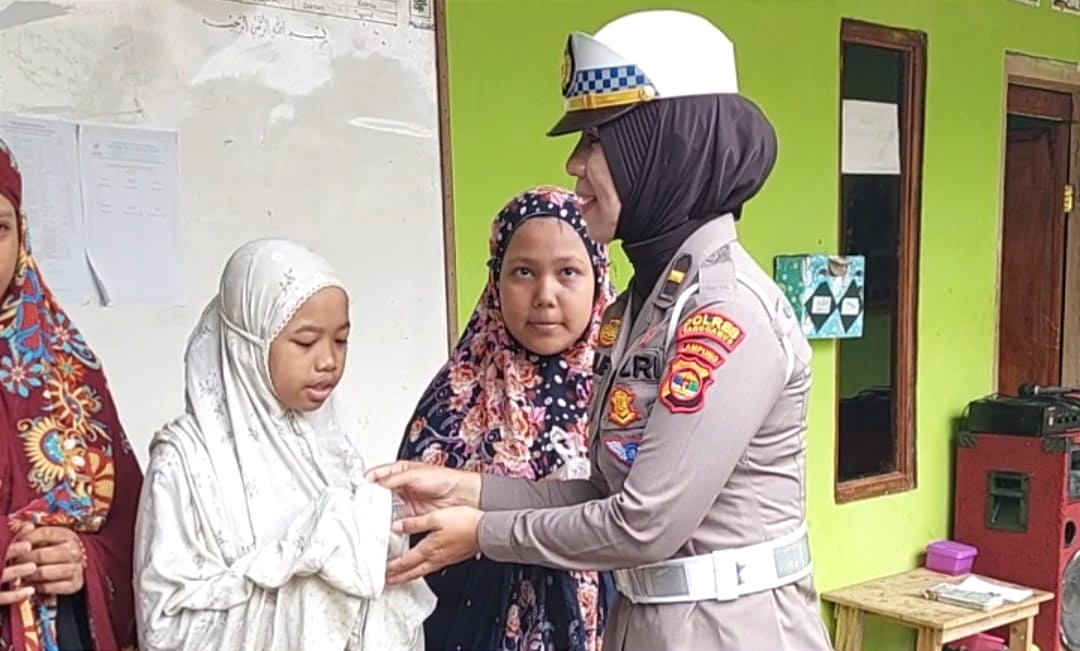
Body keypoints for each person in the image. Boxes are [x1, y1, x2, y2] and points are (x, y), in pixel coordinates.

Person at [366, 10, 836, 651]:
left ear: (662, 147)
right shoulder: (649, 307)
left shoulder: (723, 315)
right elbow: (601, 489)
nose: (575, 164)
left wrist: (482, 532)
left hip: (729, 631)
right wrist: (470, 488)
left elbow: (643, 525)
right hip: (649, 625)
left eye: (596, 140)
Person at [133, 238, 435, 651]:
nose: (328, 360)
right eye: (306, 342)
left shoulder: (329, 448)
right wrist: (304, 563)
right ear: (248, 344)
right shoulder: (184, 461)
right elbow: (163, 626)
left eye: (341, 340)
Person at [397, 186, 616, 651]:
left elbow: (644, 518)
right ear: (496, 280)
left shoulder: (625, 393)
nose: (545, 295)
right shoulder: (452, 400)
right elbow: (414, 541)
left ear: (598, 277)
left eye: (568, 272)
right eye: (523, 272)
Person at [0, 137, 142, 650]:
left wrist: (83, 556)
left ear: (22, 237)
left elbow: (134, 526)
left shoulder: (68, 368)